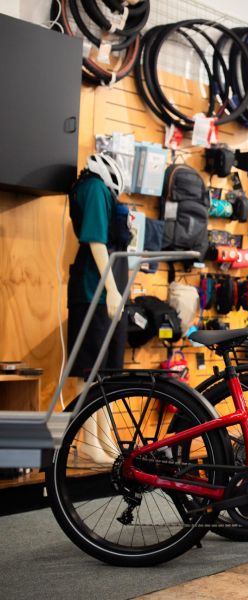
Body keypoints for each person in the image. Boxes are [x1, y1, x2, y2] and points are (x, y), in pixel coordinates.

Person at [67, 154, 131, 462]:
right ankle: (89, 442)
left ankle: (105, 439)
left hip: (110, 293)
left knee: (108, 374)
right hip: (94, 292)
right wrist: (111, 289)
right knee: (91, 371)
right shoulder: (93, 187)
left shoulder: (101, 191)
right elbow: (95, 240)